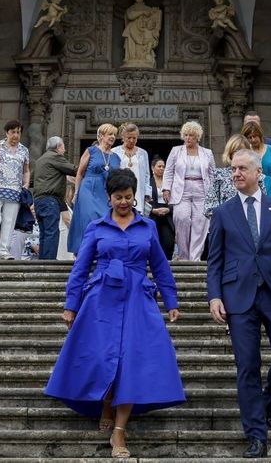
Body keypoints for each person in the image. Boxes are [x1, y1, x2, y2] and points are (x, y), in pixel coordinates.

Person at [46, 169, 183, 459]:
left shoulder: (147, 226)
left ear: (135, 197)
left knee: (132, 358)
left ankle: (119, 431)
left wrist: (171, 300)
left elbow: (160, 266)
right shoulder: (96, 227)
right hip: (100, 298)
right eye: (119, 197)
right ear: (109, 197)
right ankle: (105, 402)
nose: (124, 202)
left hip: (138, 298)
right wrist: (71, 305)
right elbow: (80, 268)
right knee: (102, 355)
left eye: (129, 197)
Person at [207, 148, 271, 458]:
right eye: (233, 170)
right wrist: (214, 295)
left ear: (257, 174)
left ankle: (269, 403)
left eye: (242, 169)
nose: (236, 173)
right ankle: (256, 434)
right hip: (238, 298)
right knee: (247, 367)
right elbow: (215, 261)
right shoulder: (223, 212)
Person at [0, 120, 32, 260]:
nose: (16, 135)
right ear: (7, 133)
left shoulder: (24, 150)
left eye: (18, 132)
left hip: (15, 189)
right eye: (13, 132)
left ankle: (4, 250)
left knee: (9, 220)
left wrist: (26, 183)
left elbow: (26, 170)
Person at [164, 120, 215, 259]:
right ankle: (183, 256)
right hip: (182, 189)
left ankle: (195, 258)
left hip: (201, 189)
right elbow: (168, 171)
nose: (188, 138)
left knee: (201, 222)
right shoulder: (176, 151)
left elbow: (212, 173)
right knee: (181, 219)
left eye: (191, 135)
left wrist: (212, 193)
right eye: (185, 135)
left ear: (197, 136)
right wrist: (166, 189)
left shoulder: (207, 153)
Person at [68, 123, 120, 254]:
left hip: (106, 192)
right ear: (101, 136)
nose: (113, 137)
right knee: (89, 216)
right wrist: (76, 193)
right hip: (88, 188)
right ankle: (85, 250)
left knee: (104, 219)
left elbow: (117, 179)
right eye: (110, 134)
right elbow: (80, 173)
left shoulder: (116, 157)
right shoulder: (91, 151)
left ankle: (99, 250)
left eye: (114, 134)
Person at [32, 135, 77, 261]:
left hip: (39, 201)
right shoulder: (55, 156)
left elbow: (31, 180)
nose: (64, 150)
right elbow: (73, 169)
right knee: (52, 232)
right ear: (58, 147)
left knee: (44, 233)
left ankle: (42, 262)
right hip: (50, 200)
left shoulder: (40, 160)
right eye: (63, 147)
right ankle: (49, 263)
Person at [204, 134, 247, 219]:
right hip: (226, 224)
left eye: (242, 151)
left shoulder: (256, 176)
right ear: (230, 153)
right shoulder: (219, 175)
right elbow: (209, 207)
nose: (239, 155)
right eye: (236, 151)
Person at [114, 123, 154, 214]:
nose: (132, 140)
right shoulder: (114, 152)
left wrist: (147, 193)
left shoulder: (143, 153)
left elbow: (147, 175)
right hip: (120, 188)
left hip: (138, 190)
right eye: (129, 138)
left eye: (134, 138)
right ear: (123, 137)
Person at [244, 121, 271, 200]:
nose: (253, 140)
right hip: (254, 189)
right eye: (250, 137)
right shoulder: (246, 153)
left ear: (260, 135)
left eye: (255, 136)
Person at [147, 158, 176, 257]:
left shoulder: (170, 183)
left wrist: (169, 209)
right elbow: (143, 199)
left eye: (163, 166)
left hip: (167, 216)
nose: (162, 168)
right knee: (153, 241)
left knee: (168, 242)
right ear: (152, 168)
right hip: (153, 215)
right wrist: (152, 210)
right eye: (159, 166)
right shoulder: (148, 182)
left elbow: (176, 198)